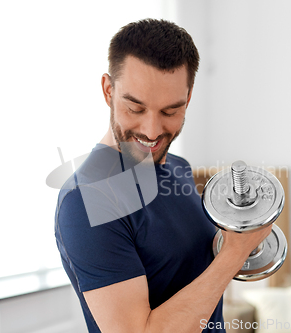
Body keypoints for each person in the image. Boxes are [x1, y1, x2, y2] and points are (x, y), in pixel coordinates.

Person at [54, 18, 272, 333]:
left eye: (170, 111)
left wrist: (244, 232)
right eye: (135, 109)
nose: (152, 131)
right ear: (108, 90)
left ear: (189, 97)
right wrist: (235, 252)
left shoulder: (178, 167)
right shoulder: (86, 201)